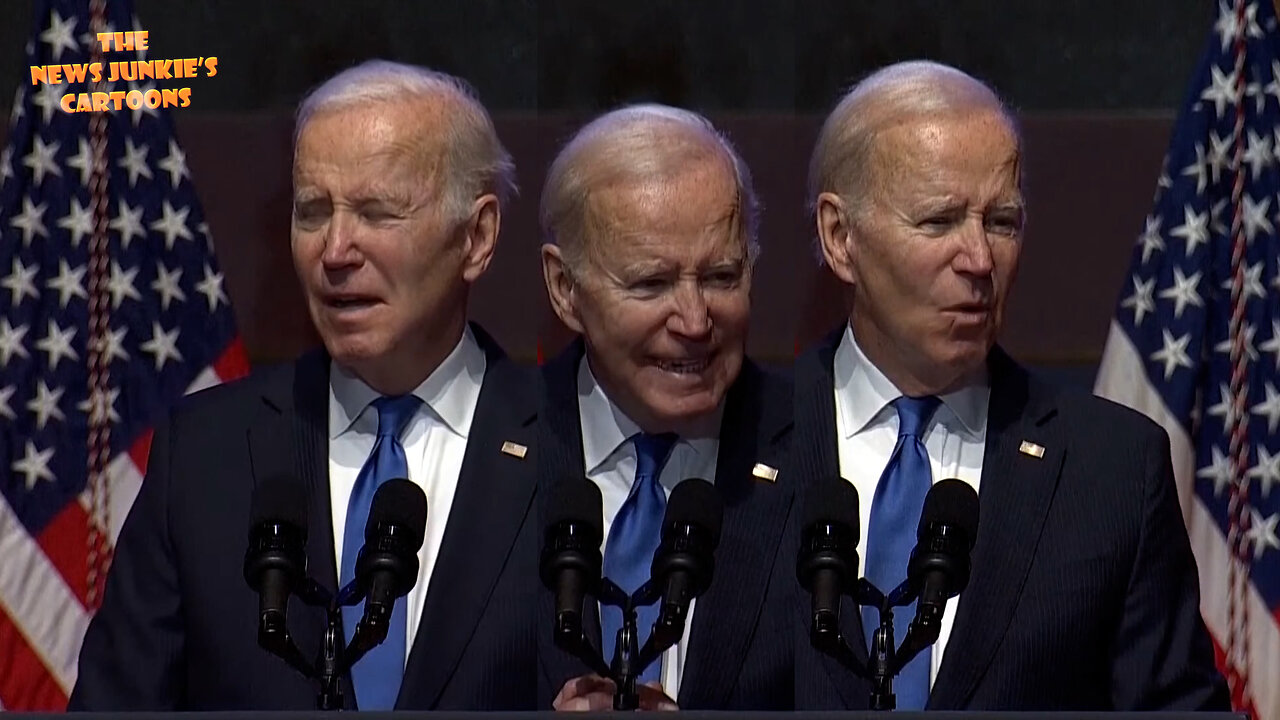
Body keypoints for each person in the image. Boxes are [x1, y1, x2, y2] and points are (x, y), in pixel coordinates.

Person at [71, 60, 541, 711]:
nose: (337, 249)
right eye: (313, 211)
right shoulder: (205, 456)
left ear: (477, 237)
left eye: (378, 212)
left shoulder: (567, 447)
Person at [792, 59, 1229, 711]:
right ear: (840, 236)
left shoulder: (1111, 471)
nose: (978, 260)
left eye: (1001, 221)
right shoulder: (741, 443)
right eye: (939, 221)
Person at [535, 104, 795, 710]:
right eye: (651, 283)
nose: (696, 321)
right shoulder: (487, 449)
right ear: (565, 289)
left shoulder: (820, 451)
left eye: (722, 277)